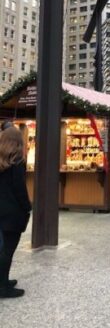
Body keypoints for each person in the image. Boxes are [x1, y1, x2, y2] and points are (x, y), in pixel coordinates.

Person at [0, 127, 31, 298]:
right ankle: (3, 287)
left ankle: (3, 280)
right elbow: (19, 189)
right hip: (12, 212)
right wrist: (27, 207)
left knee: (2, 248)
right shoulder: (17, 161)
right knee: (8, 250)